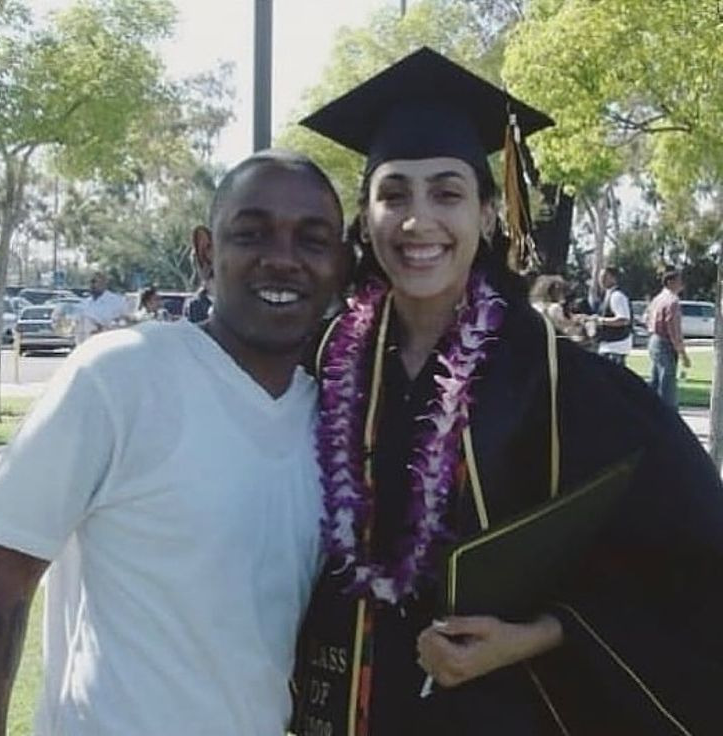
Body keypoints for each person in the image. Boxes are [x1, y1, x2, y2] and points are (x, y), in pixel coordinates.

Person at [293, 48, 723, 736]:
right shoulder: (324, 362)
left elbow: (689, 554)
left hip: (501, 712)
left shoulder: (558, 381)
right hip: (351, 703)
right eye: (394, 194)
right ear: (366, 218)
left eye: (448, 194)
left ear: (490, 213)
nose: (417, 221)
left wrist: (541, 633)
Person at [0, 150, 347, 736]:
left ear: (341, 262)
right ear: (205, 253)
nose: (282, 259)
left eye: (312, 240)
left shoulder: (333, 422)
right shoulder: (121, 377)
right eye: (252, 234)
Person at [646, 269, 691, 409]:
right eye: (679, 281)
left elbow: (646, 318)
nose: (682, 284)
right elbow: (673, 329)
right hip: (665, 343)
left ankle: (649, 412)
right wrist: (682, 353)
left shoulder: (657, 299)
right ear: (670, 282)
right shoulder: (673, 301)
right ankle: (668, 415)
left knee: (655, 380)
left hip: (654, 340)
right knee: (667, 384)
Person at [73, 271, 129, 343]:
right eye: (90, 282)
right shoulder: (85, 303)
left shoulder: (117, 301)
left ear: (104, 283)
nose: (91, 285)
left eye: (94, 281)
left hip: (107, 343)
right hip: (86, 344)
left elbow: (125, 323)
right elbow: (77, 325)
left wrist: (105, 329)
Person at [595, 266, 632, 366]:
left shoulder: (617, 296)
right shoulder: (607, 295)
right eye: (600, 277)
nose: (601, 280)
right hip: (608, 346)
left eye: (605, 276)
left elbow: (623, 320)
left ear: (614, 278)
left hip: (615, 347)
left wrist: (600, 321)